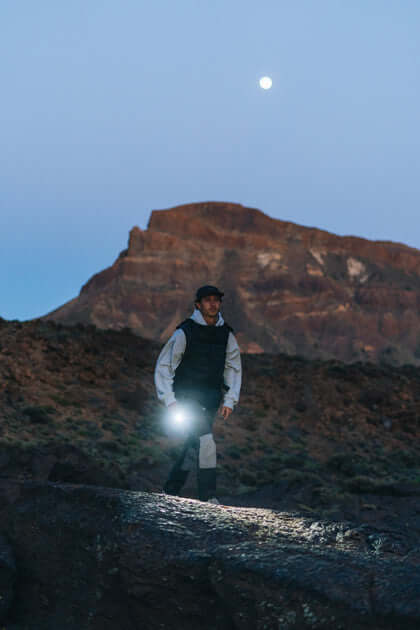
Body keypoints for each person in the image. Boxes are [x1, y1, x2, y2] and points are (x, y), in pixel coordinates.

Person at [154, 285, 242, 503]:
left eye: (216, 300)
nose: (212, 304)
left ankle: (171, 491)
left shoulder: (226, 335)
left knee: (193, 445)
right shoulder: (185, 331)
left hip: (211, 400)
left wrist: (230, 399)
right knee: (206, 440)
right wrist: (170, 400)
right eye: (207, 300)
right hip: (186, 398)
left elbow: (233, 367)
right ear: (198, 304)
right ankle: (209, 496)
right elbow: (164, 365)